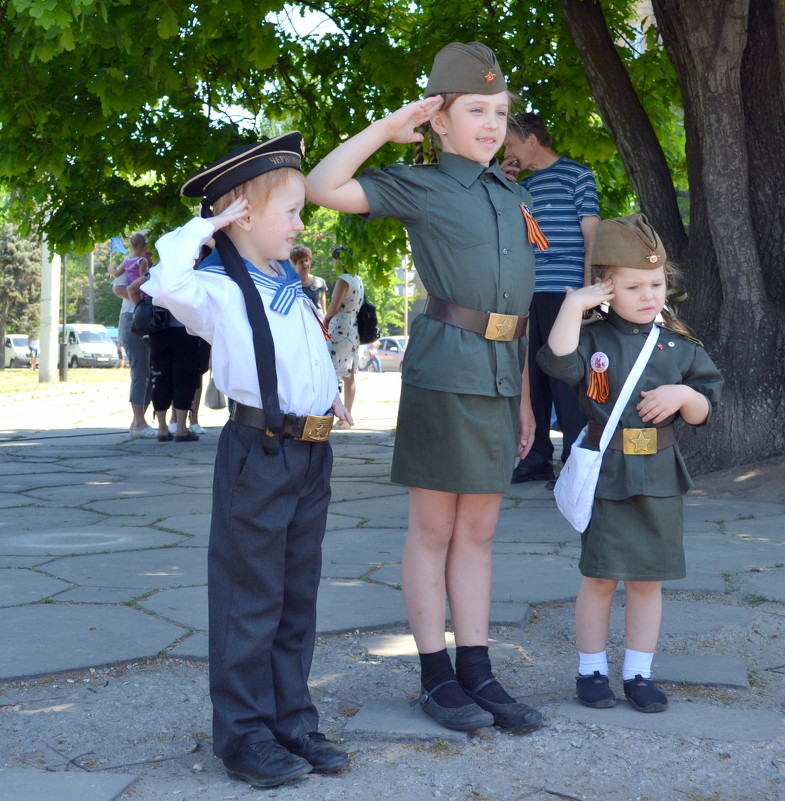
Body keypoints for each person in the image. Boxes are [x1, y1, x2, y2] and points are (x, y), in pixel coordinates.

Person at [307, 42, 543, 733]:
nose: (492, 122)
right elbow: (322, 186)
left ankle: (479, 672)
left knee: (480, 530)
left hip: (502, 376)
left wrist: (527, 397)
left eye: (499, 111)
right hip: (447, 374)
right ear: (438, 118)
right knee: (434, 529)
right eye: (475, 109)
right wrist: (385, 128)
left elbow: (519, 313)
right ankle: (435, 676)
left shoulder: (513, 194)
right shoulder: (424, 184)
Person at [144, 132, 351, 788]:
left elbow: (299, 350)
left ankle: (291, 717)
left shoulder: (285, 277)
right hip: (258, 454)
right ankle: (243, 734)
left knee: (295, 597)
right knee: (248, 600)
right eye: (290, 212)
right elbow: (162, 280)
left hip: (310, 451)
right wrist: (204, 224)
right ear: (242, 215)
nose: (300, 222)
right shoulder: (214, 288)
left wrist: (327, 399)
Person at [538, 213, 723, 712]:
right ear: (606, 288)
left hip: (661, 473)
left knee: (647, 578)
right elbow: (557, 363)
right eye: (635, 286)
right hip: (609, 473)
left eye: (656, 284)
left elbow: (707, 407)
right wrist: (573, 305)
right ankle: (591, 670)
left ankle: (639, 673)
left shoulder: (679, 344)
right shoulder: (592, 337)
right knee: (599, 575)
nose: (649, 295)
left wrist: (684, 393)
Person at [502, 112, 599, 485]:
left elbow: (592, 235)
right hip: (528, 292)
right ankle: (535, 458)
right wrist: (504, 182)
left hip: (566, 293)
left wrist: (587, 294)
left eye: (511, 144)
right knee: (532, 379)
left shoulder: (578, 175)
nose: (507, 151)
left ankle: (576, 463)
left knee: (565, 380)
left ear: (530, 140)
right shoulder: (521, 186)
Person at [127, 272, 201, 443]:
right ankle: (181, 428)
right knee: (184, 378)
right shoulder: (188, 274)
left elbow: (131, 289)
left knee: (160, 377)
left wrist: (141, 306)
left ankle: (162, 428)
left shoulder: (155, 274)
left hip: (158, 332)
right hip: (185, 332)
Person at [112, 272, 155, 437]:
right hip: (133, 318)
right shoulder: (128, 264)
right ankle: (139, 422)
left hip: (148, 317)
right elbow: (119, 290)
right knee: (140, 370)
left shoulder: (154, 264)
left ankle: (138, 420)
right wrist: (143, 299)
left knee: (150, 372)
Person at [322, 248, 363, 417]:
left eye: (334, 260)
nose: (333, 263)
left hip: (340, 329)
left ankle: (332, 412)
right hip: (354, 329)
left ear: (340, 261)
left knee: (329, 371)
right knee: (350, 374)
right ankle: (348, 414)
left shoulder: (343, 280)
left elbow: (333, 308)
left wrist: (325, 321)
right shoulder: (358, 279)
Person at [290, 245, 328, 312]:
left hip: (318, 320)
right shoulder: (290, 285)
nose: (305, 264)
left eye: (307, 260)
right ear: (294, 264)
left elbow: (324, 310)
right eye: (301, 262)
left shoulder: (319, 282)